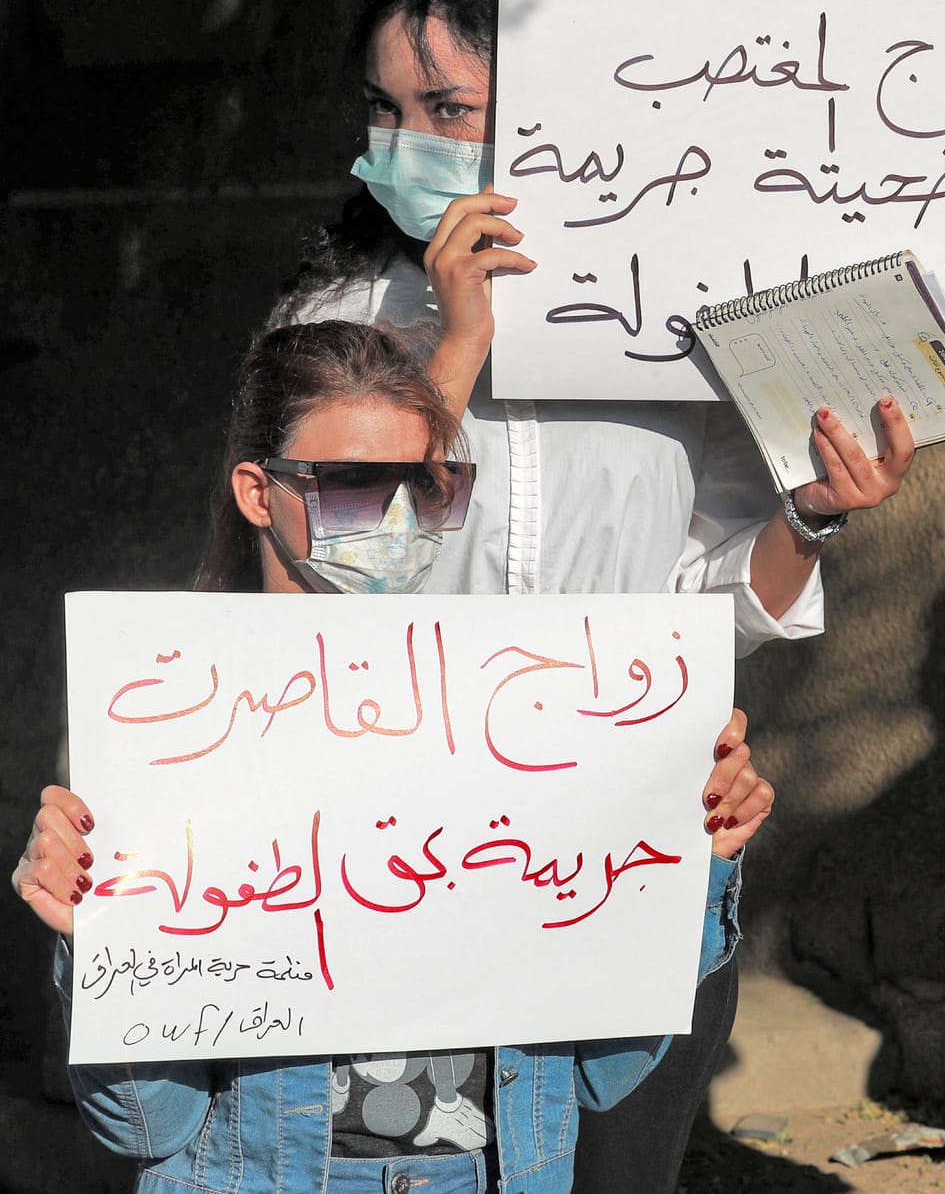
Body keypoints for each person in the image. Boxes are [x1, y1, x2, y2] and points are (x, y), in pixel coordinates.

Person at [272, 0, 915, 1187]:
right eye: (386, 109)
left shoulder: (677, 318)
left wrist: (809, 514)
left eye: (449, 109)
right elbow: (330, 584)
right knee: (423, 1167)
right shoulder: (332, 321)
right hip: (408, 868)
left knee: (616, 1166)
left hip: (635, 849)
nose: (408, 144)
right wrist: (452, 354)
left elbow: (705, 596)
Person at [14, 320, 775, 1193]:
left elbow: (604, 1073)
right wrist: (92, 938)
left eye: (428, 485)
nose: (400, 519)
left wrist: (693, 859)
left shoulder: (528, 715)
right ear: (258, 493)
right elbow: (149, 1124)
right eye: (354, 487)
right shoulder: (164, 730)